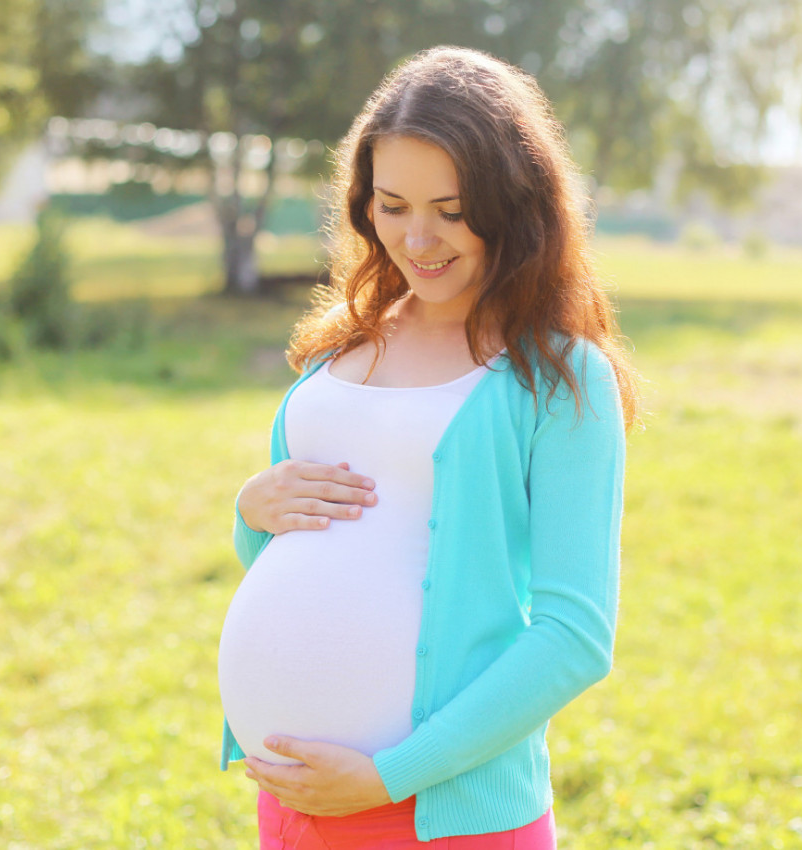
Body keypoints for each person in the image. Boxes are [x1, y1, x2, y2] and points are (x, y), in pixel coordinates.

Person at [217, 45, 640, 848]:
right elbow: (285, 552)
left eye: (451, 210)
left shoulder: (557, 378)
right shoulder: (338, 347)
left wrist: (390, 776)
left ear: (514, 203)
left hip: (440, 819)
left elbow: (574, 638)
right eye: (392, 204)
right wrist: (251, 511)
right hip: (294, 806)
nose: (418, 238)